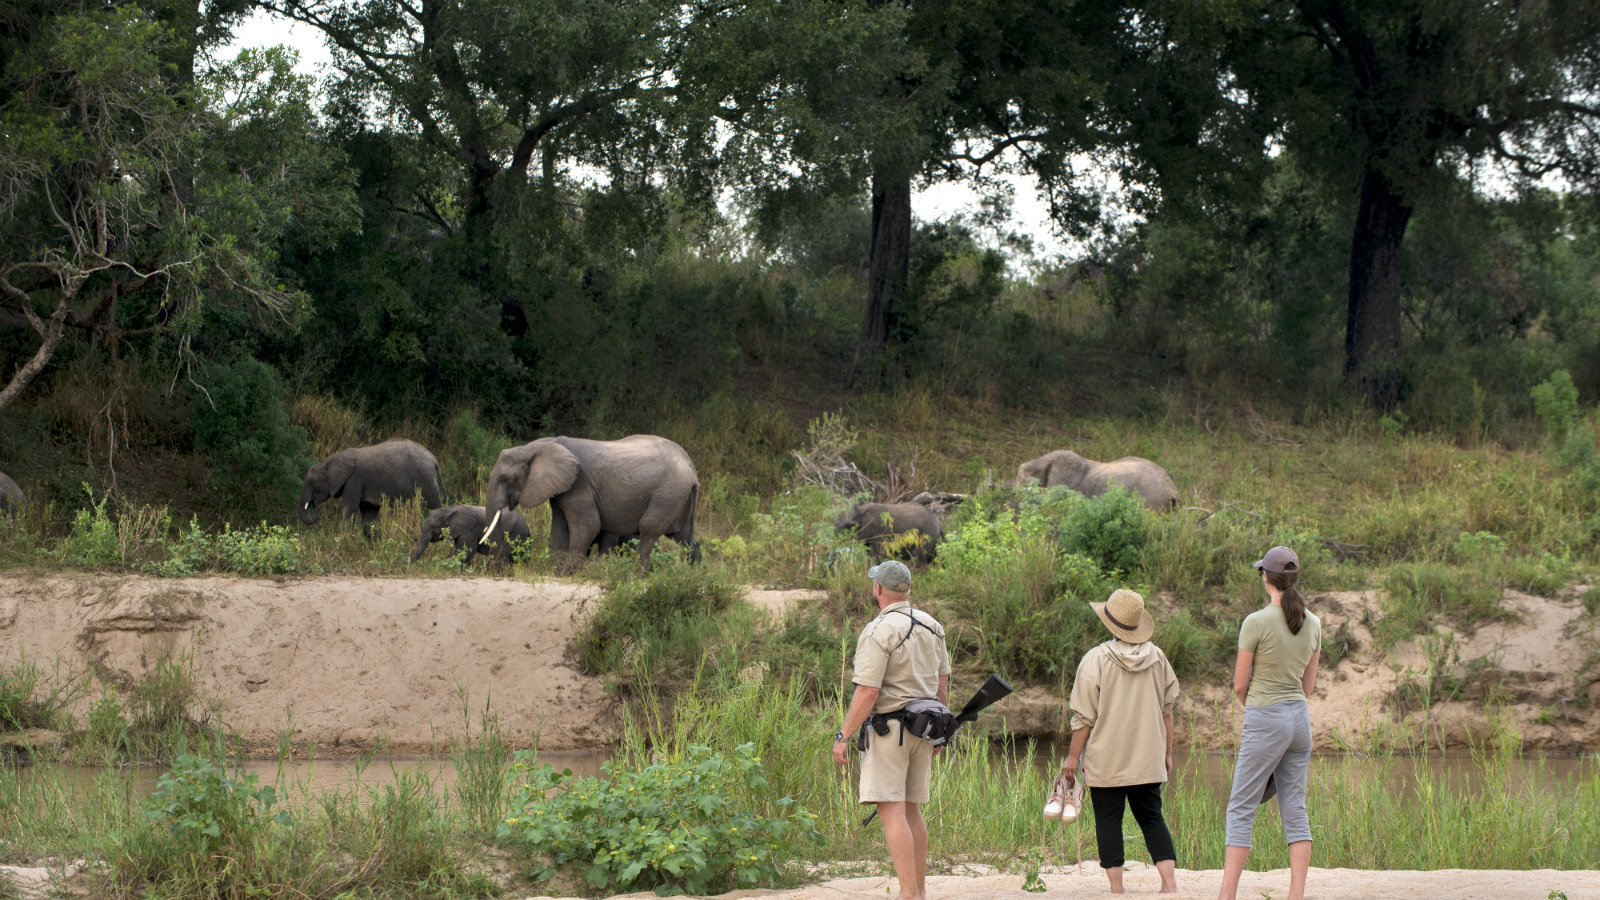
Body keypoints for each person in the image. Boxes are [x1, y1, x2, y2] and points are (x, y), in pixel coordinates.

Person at [833, 560, 951, 900]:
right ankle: (918, 891)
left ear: (878, 589)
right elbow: (942, 687)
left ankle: (907, 894)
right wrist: (941, 733)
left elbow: (868, 691)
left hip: (889, 731)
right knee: (912, 808)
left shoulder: (877, 631)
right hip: (926, 727)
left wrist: (843, 736)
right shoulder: (933, 626)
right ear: (907, 589)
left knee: (891, 809)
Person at [1060, 588, 1182, 895]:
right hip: (1147, 757)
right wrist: (1167, 753)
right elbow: (1167, 711)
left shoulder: (1096, 659)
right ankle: (1169, 886)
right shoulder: (1158, 657)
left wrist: (1072, 757)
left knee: (1108, 820)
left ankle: (1117, 889)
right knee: (1152, 818)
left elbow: (1084, 718)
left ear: (1109, 623)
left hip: (1106, 759)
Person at [1216, 546, 1321, 900]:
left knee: (1241, 806)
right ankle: (1296, 896)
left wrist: (1257, 710)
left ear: (1265, 576)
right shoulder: (1314, 622)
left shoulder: (1256, 622)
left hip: (1266, 717)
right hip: (1300, 720)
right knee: (1295, 808)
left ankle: (1227, 895)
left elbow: (1239, 685)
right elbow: (1308, 687)